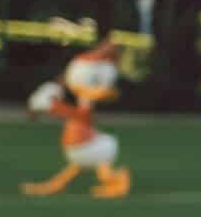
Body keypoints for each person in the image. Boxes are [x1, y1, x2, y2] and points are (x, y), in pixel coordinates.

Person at [22, 39, 131, 198]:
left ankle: (120, 180)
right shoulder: (84, 85)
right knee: (79, 163)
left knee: (96, 165)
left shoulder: (91, 91)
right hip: (84, 143)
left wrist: (52, 107)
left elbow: (82, 113)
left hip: (88, 144)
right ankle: (55, 185)